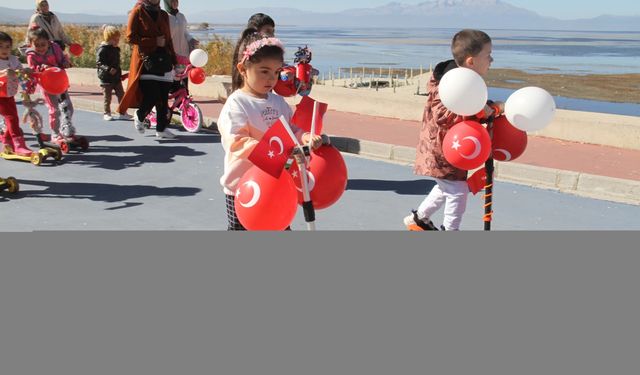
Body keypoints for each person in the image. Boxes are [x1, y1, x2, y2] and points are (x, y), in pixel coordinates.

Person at [219, 29, 323, 230]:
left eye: (276, 72)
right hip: (245, 187)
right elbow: (237, 142)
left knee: (280, 227)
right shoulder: (237, 104)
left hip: (277, 185)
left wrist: (305, 136)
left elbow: (291, 128)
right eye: (264, 71)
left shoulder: (278, 102)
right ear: (243, 69)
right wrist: (276, 152)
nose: (271, 79)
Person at [404, 29, 504, 231]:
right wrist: (482, 112)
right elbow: (444, 115)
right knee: (457, 191)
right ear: (471, 61)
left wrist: (487, 108)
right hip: (442, 150)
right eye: (488, 55)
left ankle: (419, 219)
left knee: (446, 187)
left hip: (453, 149)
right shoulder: (448, 83)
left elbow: (469, 104)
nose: (492, 59)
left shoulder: (465, 81)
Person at [118, 0, 178, 140]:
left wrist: (175, 61)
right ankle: (139, 115)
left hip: (164, 60)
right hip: (146, 61)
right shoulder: (138, 11)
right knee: (152, 95)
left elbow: (168, 40)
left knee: (163, 97)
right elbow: (130, 37)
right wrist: (153, 41)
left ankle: (161, 129)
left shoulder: (163, 14)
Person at [25, 26, 76, 141]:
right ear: (31, 44)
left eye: (43, 44)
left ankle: (65, 128)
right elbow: (32, 70)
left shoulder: (55, 48)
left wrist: (66, 63)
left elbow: (62, 59)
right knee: (54, 110)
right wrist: (40, 68)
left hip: (60, 82)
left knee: (68, 107)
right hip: (47, 85)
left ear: (48, 42)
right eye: (37, 45)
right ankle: (55, 133)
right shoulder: (31, 55)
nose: (40, 48)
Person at [0, 32, 34, 157]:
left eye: (7, 46)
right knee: (12, 118)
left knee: (13, 117)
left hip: (9, 94)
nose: (5, 49)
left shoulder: (14, 60)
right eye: (1, 46)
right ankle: (19, 145)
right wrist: (3, 73)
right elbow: (4, 73)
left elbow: (20, 70)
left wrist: (26, 70)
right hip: (0, 95)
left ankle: (7, 141)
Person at [96, 25, 133, 122]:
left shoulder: (116, 49)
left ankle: (122, 112)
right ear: (108, 39)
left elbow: (117, 63)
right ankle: (107, 113)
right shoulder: (103, 49)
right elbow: (99, 63)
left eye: (118, 39)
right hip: (106, 78)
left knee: (121, 95)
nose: (117, 41)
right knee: (107, 97)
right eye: (115, 39)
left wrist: (120, 74)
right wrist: (108, 69)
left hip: (116, 77)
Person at [162, 0, 199, 93]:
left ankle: (185, 95)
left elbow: (185, 32)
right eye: (172, 1)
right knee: (174, 76)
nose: (175, 3)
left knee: (185, 74)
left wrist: (191, 39)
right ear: (167, 2)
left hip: (184, 51)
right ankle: (175, 96)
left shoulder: (181, 16)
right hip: (172, 52)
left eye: (176, 1)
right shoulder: (164, 16)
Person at [231, 13, 276, 82]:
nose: (272, 35)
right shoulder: (249, 52)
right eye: (268, 31)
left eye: (273, 31)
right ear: (255, 31)